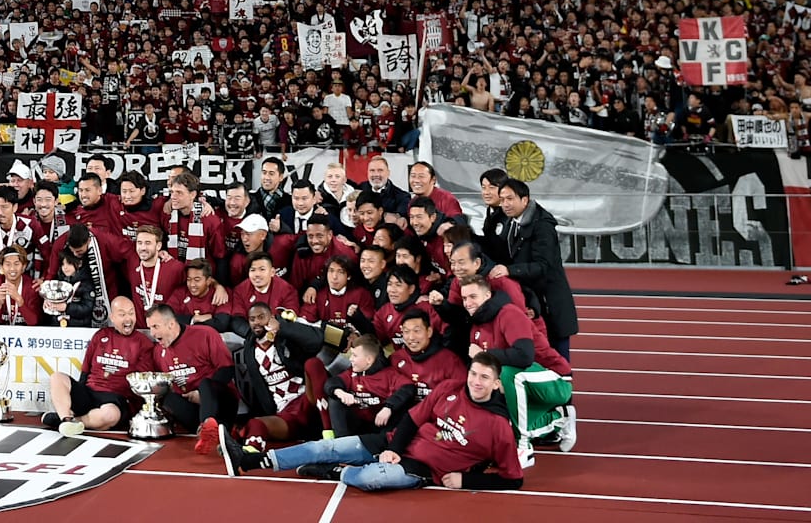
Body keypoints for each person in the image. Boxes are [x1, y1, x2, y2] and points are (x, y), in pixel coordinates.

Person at [222, 351, 524, 493]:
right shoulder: (450, 389)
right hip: (393, 442)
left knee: (371, 479)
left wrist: (466, 481)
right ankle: (253, 461)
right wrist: (394, 446)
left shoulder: (498, 427)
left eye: (485, 377)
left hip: (422, 468)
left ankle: (334, 473)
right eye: (474, 373)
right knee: (324, 447)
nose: (476, 381)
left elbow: (514, 479)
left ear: (497, 384)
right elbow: (411, 419)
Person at [461, 274, 576, 467]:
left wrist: (484, 353)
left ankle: (524, 447)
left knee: (507, 374)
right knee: (502, 421)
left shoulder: (509, 313)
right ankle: (560, 418)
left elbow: (524, 356)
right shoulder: (477, 326)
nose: (468, 303)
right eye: (464, 298)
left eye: (473, 296)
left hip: (555, 379)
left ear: (487, 295)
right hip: (524, 384)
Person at [492, 178, 578, 359]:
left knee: (558, 362)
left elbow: (543, 265)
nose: (505, 204)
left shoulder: (543, 226)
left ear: (525, 200)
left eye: (510, 199)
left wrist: (510, 270)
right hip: (533, 303)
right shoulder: (511, 221)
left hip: (551, 305)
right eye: (502, 200)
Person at [44, 295, 154, 436]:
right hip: (90, 392)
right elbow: (85, 369)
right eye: (122, 314)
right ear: (112, 317)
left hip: (116, 399)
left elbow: (140, 381)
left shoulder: (143, 343)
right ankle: (66, 418)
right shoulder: (101, 335)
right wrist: (78, 394)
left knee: (110, 416)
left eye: (131, 313)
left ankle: (69, 422)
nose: (128, 319)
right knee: (57, 377)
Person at [227, 303, 327, 450]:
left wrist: (282, 327)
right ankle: (248, 454)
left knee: (313, 364)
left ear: (272, 317)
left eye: (261, 317)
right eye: (252, 319)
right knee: (255, 423)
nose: (257, 322)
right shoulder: (250, 349)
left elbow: (317, 340)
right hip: (286, 413)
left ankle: (329, 433)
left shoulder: (286, 337)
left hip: (307, 400)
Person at [146, 303, 235, 448]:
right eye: (150, 328)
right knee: (167, 398)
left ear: (171, 324)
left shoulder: (205, 334)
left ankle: (209, 429)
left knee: (205, 384)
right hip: (192, 407)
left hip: (220, 402)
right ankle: (207, 432)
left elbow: (227, 369)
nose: (152, 334)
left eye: (155, 327)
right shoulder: (158, 352)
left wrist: (204, 395)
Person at [321, 332, 408, 439]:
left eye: (355, 355)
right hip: (357, 425)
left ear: (369, 359)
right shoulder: (352, 373)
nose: (350, 359)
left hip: (381, 428)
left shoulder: (389, 375)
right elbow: (331, 383)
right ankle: (342, 444)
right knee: (334, 399)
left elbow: (407, 388)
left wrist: (388, 407)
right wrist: (340, 392)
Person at [125, 224, 184, 328]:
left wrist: (217, 286)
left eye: (148, 243)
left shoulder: (175, 268)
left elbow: (197, 280)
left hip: (165, 331)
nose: (143, 248)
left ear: (158, 246)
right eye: (139, 243)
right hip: (139, 331)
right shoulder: (132, 262)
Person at [0, 247, 41, 326]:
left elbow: (34, 322)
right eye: (8, 264)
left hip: (26, 334)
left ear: (24, 266)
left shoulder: (32, 286)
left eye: (16, 264)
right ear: (1, 267)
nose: (12, 268)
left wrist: (19, 300)